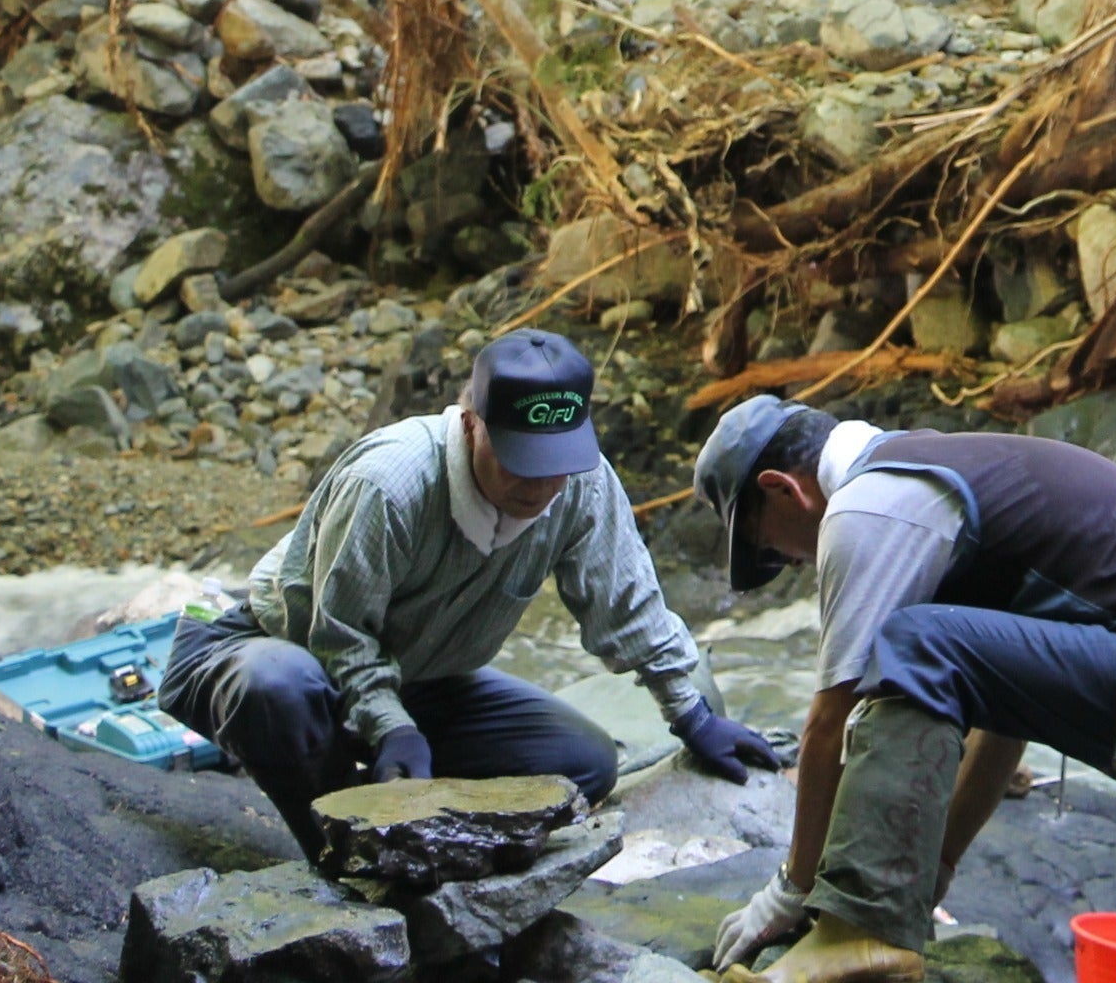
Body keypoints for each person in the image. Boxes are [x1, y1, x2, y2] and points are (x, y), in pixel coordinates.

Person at [694, 397, 1116, 983]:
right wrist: (932, 873)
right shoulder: (944, 471)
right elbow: (1007, 723)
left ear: (781, 488)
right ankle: (870, 923)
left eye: (773, 548)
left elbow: (829, 722)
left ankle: (857, 928)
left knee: (914, 643)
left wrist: (791, 892)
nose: (792, 565)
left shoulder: (870, 504)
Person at [160, 329, 778, 859]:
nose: (539, 483)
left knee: (585, 763)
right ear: (470, 423)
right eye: (520, 459)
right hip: (271, 648)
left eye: (556, 460)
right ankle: (346, 860)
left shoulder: (581, 484)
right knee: (281, 685)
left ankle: (423, 825)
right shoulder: (390, 485)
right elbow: (339, 637)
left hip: (419, 678)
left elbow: (628, 604)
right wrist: (390, 728)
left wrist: (691, 714)